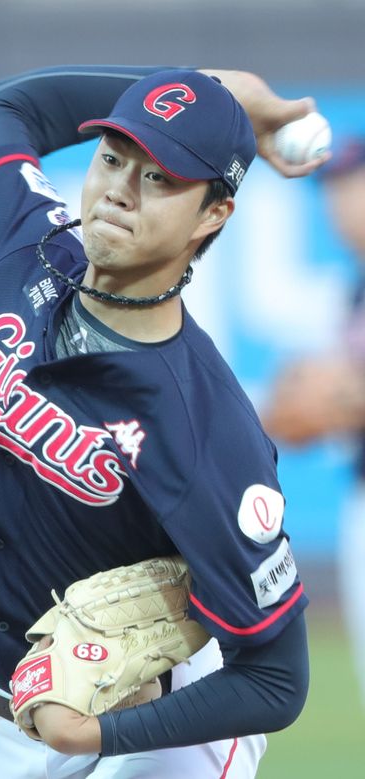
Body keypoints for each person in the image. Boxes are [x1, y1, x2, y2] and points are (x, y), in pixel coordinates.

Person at [0, 64, 328, 779]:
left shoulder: (205, 427)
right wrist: (201, 86)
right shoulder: (25, 249)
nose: (120, 188)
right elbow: (5, 105)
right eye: (113, 157)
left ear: (212, 215)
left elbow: (277, 678)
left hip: (155, 733)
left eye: (159, 177)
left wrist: (94, 735)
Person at [262, 136, 365, 708]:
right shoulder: (354, 288)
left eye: (353, 185)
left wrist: (339, 395)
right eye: (334, 190)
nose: (341, 203)